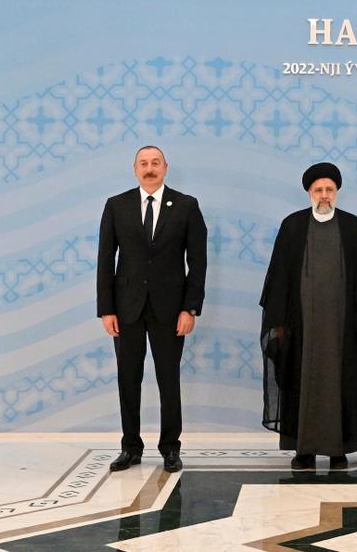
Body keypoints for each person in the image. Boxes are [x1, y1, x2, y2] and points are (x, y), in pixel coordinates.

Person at [260, 162, 357, 470]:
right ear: (309, 192)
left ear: (337, 192)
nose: (324, 196)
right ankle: (302, 449)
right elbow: (278, 279)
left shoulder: (352, 227)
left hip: (342, 327)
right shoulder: (292, 226)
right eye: (318, 190)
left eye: (329, 190)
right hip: (300, 326)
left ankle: (339, 449)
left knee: (343, 381)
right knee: (297, 381)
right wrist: (279, 325)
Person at [97, 145, 207, 473]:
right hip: (126, 309)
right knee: (127, 379)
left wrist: (191, 308)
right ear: (134, 169)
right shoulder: (116, 206)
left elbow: (198, 262)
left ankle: (170, 448)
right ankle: (130, 447)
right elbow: (105, 260)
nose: (149, 168)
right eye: (143, 163)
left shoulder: (187, 206)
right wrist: (106, 309)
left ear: (165, 167)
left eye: (155, 163)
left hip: (170, 311)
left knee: (168, 379)